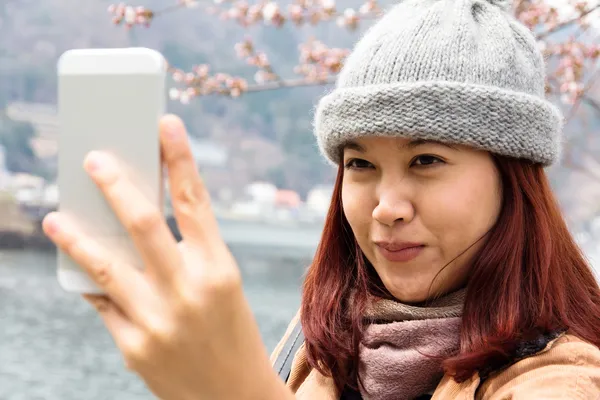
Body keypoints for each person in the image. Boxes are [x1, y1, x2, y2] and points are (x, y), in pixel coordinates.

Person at [43, 0, 600, 399]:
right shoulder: (321, 342)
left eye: (426, 160)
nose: (386, 206)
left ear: (514, 180)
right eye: (360, 164)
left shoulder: (562, 378)